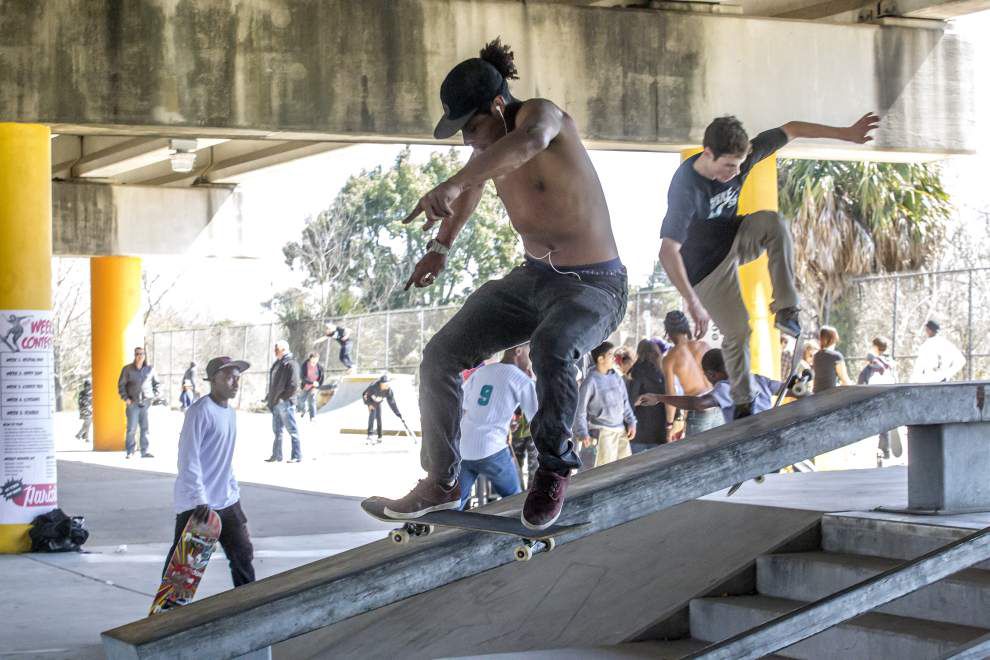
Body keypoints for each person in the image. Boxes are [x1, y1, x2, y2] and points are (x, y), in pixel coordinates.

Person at [379, 38, 627, 531]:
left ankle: (554, 467)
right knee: (441, 356)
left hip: (595, 286)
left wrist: (451, 182)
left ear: (498, 104)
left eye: (474, 127)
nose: (472, 141)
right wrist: (441, 248)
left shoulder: (541, 116)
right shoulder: (488, 153)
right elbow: (471, 187)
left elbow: (528, 142)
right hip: (531, 279)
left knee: (552, 347)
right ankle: (443, 479)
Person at [658, 112, 879, 419]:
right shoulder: (686, 188)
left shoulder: (742, 158)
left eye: (738, 166)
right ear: (707, 153)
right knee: (738, 331)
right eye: (727, 167)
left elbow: (794, 128)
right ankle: (745, 402)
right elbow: (668, 251)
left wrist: (847, 133)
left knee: (772, 223)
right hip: (704, 269)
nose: (732, 174)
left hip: (735, 238)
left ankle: (787, 309)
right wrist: (693, 303)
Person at [164, 356, 255, 589]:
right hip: (199, 505)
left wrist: (234, 490)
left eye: (237, 377)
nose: (234, 382)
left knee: (243, 555)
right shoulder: (199, 411)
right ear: (213, 379)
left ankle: (247, 605)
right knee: (183, 569)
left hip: (227, 501)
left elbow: (224, 459)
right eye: (228, 377)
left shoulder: (230, 413)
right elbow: (188, 458)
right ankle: (169, 617)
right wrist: (199, 499)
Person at [457, 345, 537, 509]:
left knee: (456, 502)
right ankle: (527, 532)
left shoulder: (482, 372)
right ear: (518, 351)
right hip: (491, 449)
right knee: (516, 500)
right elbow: (536, 417)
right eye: (530, 354)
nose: (531, 360)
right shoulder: (520, 379)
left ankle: (436, 532)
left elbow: (463, 404)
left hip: (464, 447)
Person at [638, 348, 781, 426]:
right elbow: (786, 388)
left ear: (711, 374)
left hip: (751, 443)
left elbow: (699, 403)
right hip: (771, 432)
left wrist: (659, 398)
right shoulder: (757, 379)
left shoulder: (725, 387)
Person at [574, 342, 637, 467]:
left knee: (625, 469)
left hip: (621, 431)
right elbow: (580, 411)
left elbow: (625, 402)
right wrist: (583, 432)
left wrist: (631, 422)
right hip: (603, 434)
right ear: (600, 359)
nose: (614, 358)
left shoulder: (616, 377)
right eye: (610, 355)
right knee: (605, 471)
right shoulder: (590, 382)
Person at [661, 310, 716, 439]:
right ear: (686, 327)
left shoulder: (670, 358)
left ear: (668, 332)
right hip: (718, 404)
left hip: (699, 410)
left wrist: (669, 425)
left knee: (699, 457)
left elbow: (671, 395)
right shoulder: (705, 346)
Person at [857, 336, 901, 460]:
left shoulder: (873, 362)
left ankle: (882, 449)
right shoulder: (890, 362)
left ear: (876, 347)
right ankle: (884, 449)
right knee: (884, 422)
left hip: (875, 393)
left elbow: (863, 378)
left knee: (878, 422)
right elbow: (896, 379)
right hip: (889, 393)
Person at [117, 346, 160, 458]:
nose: (140, 356)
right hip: (133, 403)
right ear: (134, 356)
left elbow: (157, 384)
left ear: (144, 356)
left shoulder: (150, 369)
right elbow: (121, 385)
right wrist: (126, 398)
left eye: (142, 354)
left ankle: (145, 451)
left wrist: (154, 396)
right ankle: (130, 451)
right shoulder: (127, 369)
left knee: (145, 428)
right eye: (137, 354)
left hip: (146, 403)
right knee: (131, 428)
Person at [626, 339, 667, 451]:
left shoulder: (634, 371)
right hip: (658, 432)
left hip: (639, 432)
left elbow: (630, 401)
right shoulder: (660, 373)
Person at [264, 340, 301, 463]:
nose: (275, 352)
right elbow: (274, 383)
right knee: (277, 431)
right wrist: (271, 398)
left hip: (285, 402)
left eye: (277, 349)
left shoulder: (291, 364)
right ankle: (276, 455)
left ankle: (296, 455)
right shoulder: (278, 364)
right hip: (276, 403)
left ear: (284, 349)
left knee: (292, 430)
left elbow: (294, 384)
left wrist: (283, 397)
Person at [911, 319, 965, 383]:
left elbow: (961, 361)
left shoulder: (944, 344)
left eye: (927, 329)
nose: (926, 331)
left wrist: (947, 374)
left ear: (930, 330)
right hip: (927, 380)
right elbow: (919, 366)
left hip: (939, 380)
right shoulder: (926, 345)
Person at [362, 374, 405, 444]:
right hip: (371, 401)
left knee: (379, 417)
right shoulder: (373, 387)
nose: (386, 386)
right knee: (372, 415)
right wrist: (368, 404)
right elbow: (364, 394)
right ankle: (370, 435)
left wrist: (398, 414)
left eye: (387, 384)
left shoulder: (388, 391)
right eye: (384, 384)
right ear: (380, 384)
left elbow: (392, 403)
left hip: (378, 402)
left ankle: (380, 436)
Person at [813, 326, 852, 393]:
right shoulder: (836, 356)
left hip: (816, 394)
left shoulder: (816, 355)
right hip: (829, 396)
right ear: (833, 340)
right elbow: (845, 380)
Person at [297, 352, 325, 421]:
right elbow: (302, 377)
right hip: (306, 385)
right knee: (301, 400)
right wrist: (311, 382)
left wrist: (318, 385)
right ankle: (304, 409)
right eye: (313, 361)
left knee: (312, 399)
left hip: (314, 387)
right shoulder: (304, 365)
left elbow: (322, 377)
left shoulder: (319, 367)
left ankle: (313, 416)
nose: (314, 362)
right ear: (310, 359)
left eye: (316, 361)